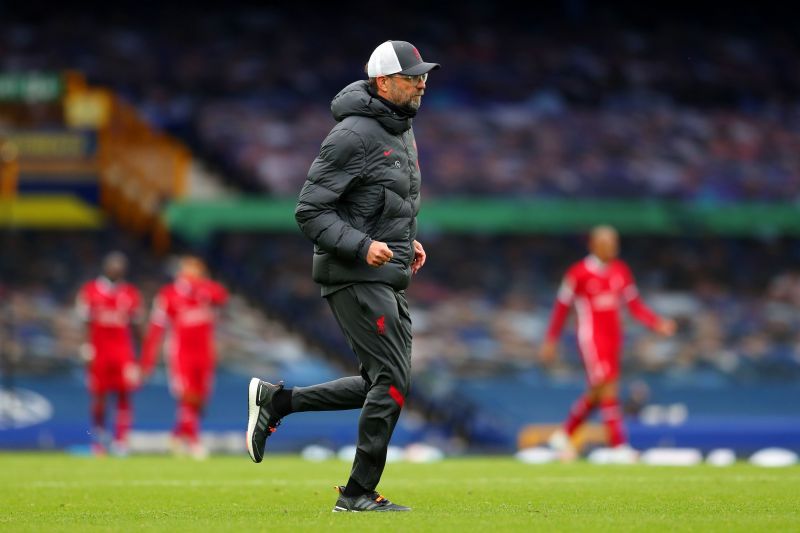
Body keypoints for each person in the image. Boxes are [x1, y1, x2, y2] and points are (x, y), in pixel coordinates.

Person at [246, 40, 438, 512]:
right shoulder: (353, 134)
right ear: (384, 82)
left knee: (385, 380)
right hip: (354, 273)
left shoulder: (400, 130)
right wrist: (363, 245)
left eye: (422, 75)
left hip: (386, 271)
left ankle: (278, 402)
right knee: (391, 381)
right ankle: (356, 493)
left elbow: (382, 205)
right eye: (412, 76)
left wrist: (403, 243)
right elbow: (310, 211)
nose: (422, 83)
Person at [539, 226, 676, 461]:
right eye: (607, 242)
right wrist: (551, 340)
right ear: (593, 245)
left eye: (614, 242)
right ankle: (618, 445)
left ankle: (564, 434)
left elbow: (635, 306)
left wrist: (656, 323)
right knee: (607, 386)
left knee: (597, 392)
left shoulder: (621, 272)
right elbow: (562, 309)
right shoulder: (578, 273)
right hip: (592, 338)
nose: (612, 247)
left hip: (614, 337)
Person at [140, 256, 228, 459]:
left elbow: (221, 296)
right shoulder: (169, 295)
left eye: (198, 269)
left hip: (204, 351)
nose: (195, 273)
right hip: (181, 352)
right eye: (191, 269)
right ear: (181, 271)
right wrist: (147, 360)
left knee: (200, 398)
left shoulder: (206, 290)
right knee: (187, 394)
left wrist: (201, 284)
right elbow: (156, 329)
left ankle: (177, 436)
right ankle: (194, 441)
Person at [76, 251, 143, 456]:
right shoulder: (90, 291)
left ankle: (121, 441)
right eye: (114, 265)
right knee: (99, 396)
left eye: (121, 265)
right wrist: (85, 346)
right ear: (105, 267)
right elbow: (84, 322)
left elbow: (137, 327)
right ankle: (99, 439)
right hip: (100, 352)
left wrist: (138, 357)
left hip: (123, 354)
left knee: (124, 395)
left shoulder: (131, 293)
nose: (117, 269)